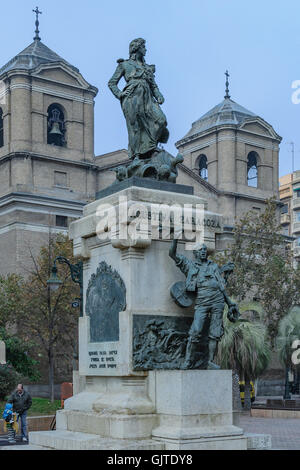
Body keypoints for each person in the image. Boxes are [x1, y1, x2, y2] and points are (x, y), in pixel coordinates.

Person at [169, 240, 239, 369]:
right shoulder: (190, 265)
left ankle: (210, 362)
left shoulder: (213, 266)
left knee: (215, 333)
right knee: (195, 331)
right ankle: (188, 361)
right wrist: (175, 239)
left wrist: (229, 302)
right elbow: (172, 254)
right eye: (201, 250)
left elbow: (221, 286)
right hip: (202, 301)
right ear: (195, 253)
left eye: (204, 250)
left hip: (218, 300)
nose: (203, 252)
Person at [108, 38, 169, 160]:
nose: (146, 49)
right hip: (132, 98)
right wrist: (120, 94)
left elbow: (153, 85)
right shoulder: (124, 65)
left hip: (148, 98)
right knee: (134, 127)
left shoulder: (147, 68)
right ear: (137, 48)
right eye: (143, 47)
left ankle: (149, 146)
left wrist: (158, 95)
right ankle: (136, 155)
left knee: (161, 120)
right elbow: (112, 83)